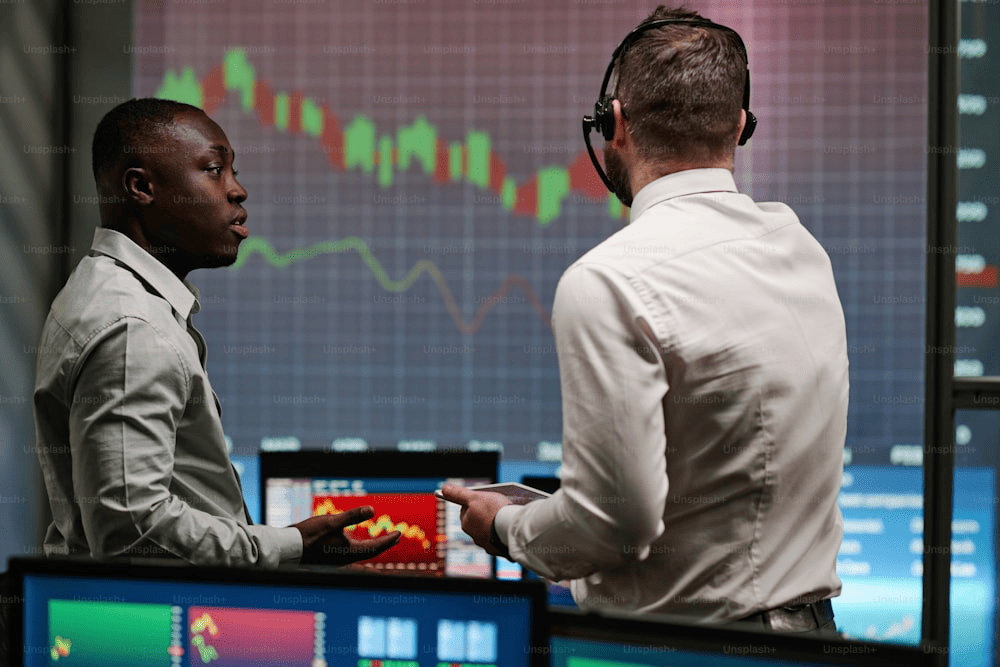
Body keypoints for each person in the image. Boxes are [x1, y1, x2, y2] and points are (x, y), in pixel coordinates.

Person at [442, 5, 847, 633]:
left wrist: (504, 525)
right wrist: (566, 515)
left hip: (690, 650)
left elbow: (616, 526)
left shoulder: (609, 280)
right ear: (739, 126)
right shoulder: (800, 249)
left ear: (617, 123)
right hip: (813, 636)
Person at [32, 98, 400, 567]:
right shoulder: (133, 330)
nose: (238, 191)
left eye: (234, 172)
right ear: (140, 187)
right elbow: (131, 532)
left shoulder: (107, 291)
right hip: (148, 633)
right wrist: (290, 545)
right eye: (214, 170)